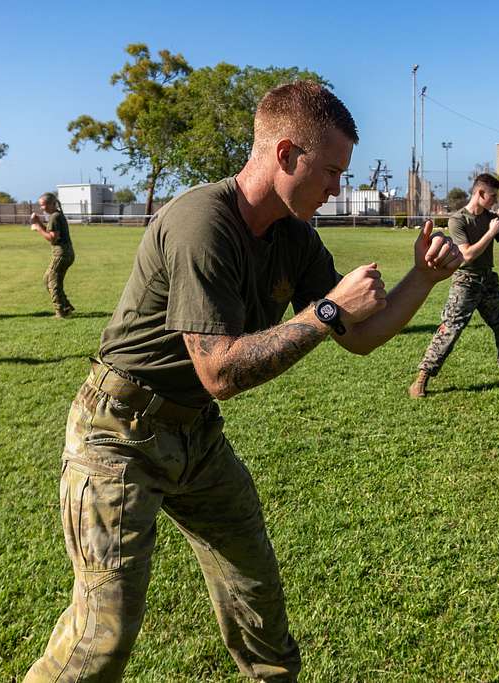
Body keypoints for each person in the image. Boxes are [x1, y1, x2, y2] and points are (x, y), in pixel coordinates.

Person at [24, 81, 463, 683]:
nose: (340, 187)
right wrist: (326, 310)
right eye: (332, 171)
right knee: (103, 633)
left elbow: (357, 336)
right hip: (119, 432)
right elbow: (221, 370)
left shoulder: (295, 236)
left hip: (195, 434)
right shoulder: (201, 221)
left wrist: (423, 277)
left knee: (257, 595)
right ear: (286, 156)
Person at [409, 173, 499, 398]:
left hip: (489, 281)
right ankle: (422, 378)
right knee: (450, 329)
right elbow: (467, 255)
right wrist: (490, 233)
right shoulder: (458, 220)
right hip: (466, 281)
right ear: (480, 193)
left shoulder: (492, 218)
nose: (495, 201)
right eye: (492, 196)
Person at [30, 192, 75, 318]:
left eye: (43, 205)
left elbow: (52, 238)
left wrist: (38, 228)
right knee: (47, 280)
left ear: (51, 204)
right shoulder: (57, 215)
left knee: (52, 282)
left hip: (61, 254)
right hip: (66, 253)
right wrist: (39, 222)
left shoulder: (54, 217)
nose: (41, 208)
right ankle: (66, 306)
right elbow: (52, 232)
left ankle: (61, 312)